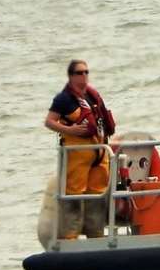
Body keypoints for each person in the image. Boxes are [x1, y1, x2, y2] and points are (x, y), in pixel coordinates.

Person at [44, 59, 116, 238]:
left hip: (99, 153)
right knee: (74, 196)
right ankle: (70, 237)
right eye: (79, 73)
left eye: (86, 72)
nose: (83, 76)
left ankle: (96, 235)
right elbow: (49, 121)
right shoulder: (63, 99)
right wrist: (70, 130)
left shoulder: (92, 96)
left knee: (97, 196)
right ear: (70, 76)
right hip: (77, 154)